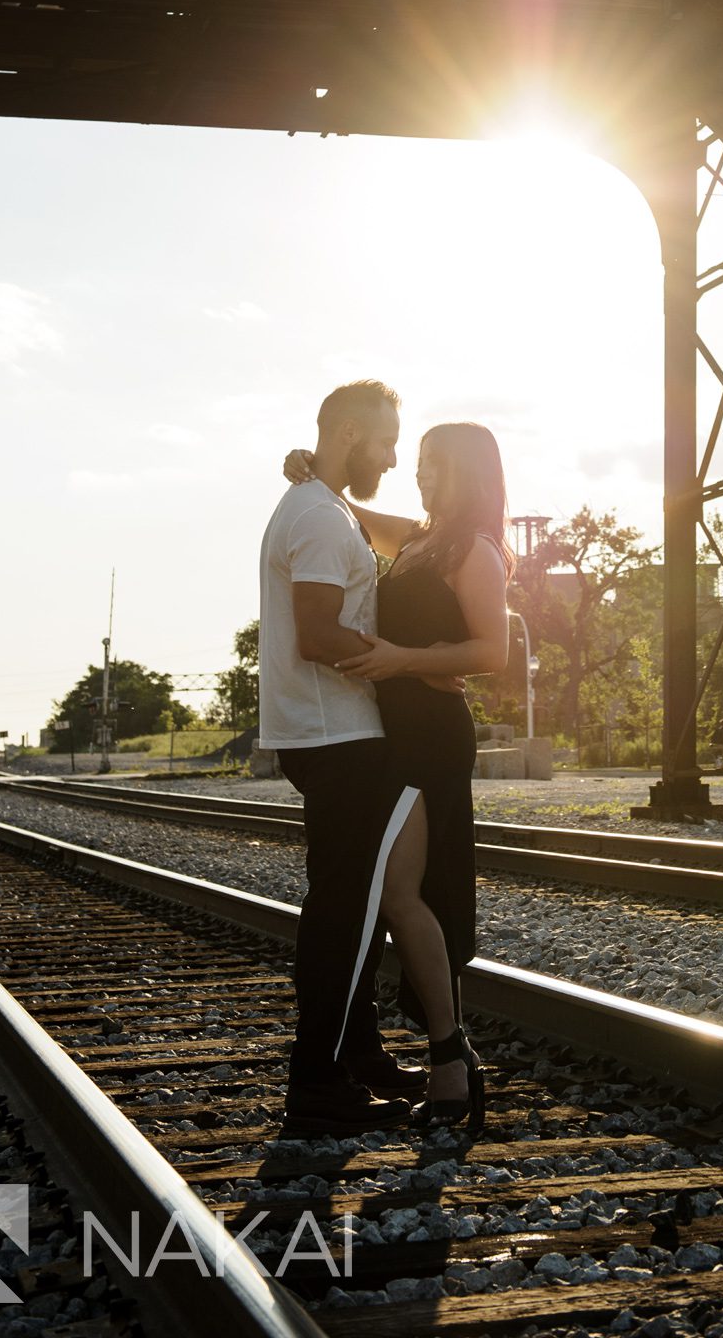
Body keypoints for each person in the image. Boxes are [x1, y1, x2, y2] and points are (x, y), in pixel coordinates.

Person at [285, 421, 511, 1130]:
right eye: (417, 464)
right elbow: (350, 516)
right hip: (398, 735)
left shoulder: (473, 550)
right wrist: (311, 473)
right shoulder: (418, 539)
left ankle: (450, 1059)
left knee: (396, 891)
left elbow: (494, 651)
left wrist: (400, 660)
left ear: (467, 474)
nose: (420, 475)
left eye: (433, 466)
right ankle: (445, 1063)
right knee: (399, 893)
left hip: (429, 740)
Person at [259, 378, 464, 1133]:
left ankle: (359, 1061)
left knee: (359, 905)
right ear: (347, 433)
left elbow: (408, 534)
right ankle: (317, 1084)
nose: (391, 455)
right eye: (384, 442)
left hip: (332, 731)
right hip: (333, 735)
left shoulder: (325, 504)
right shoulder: (316, 514)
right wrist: (406, 659)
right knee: (343, 913)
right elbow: (316, 633)